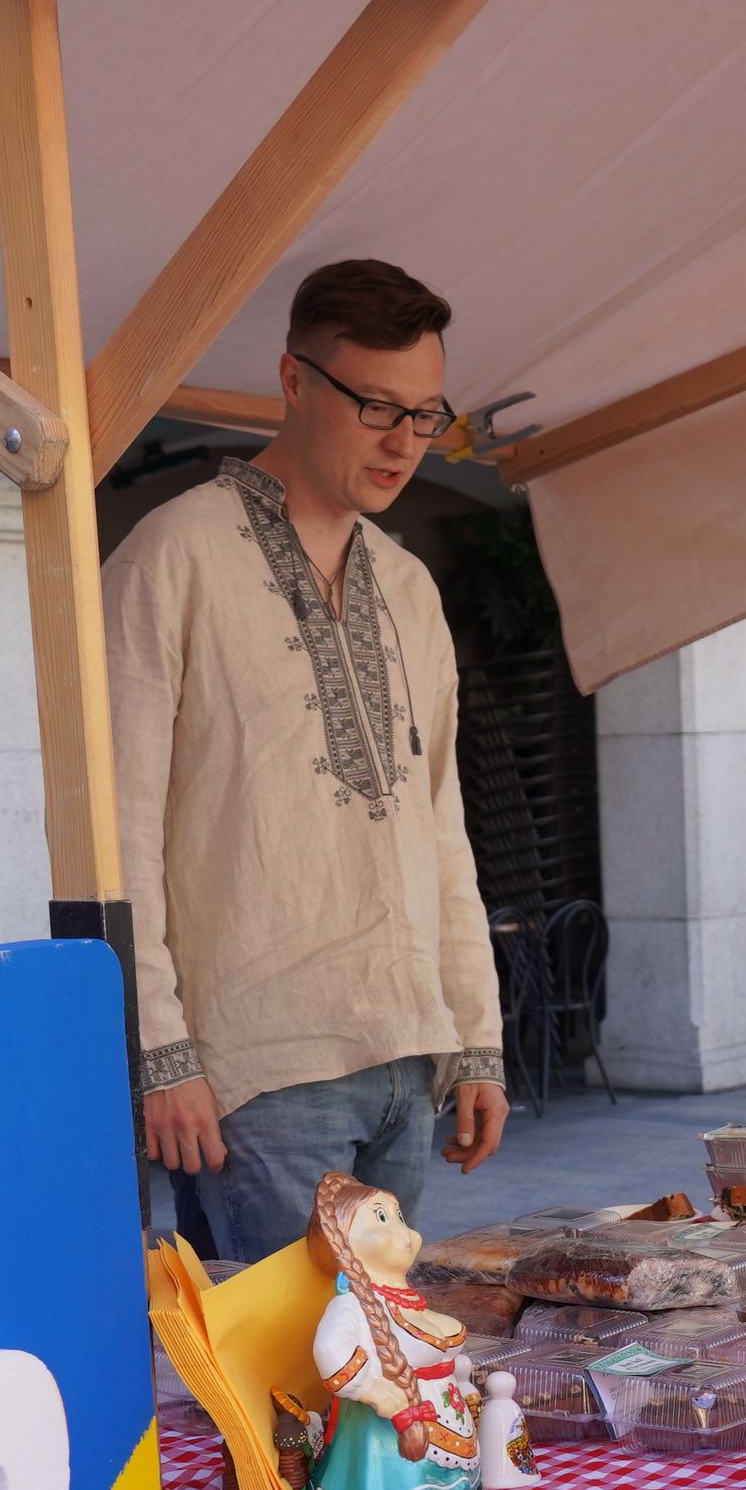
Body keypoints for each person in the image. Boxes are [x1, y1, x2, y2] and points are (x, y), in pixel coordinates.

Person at [106, 256, 507, 1261]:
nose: (404, 441)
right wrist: (160, 1053)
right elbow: (115, 828)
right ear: (293, 380)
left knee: (376, 1381)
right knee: (300, 1397)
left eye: (426, 415)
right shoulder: (173, 557)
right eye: (378, 406)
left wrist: (475, 1036)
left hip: (406, 1057)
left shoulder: (409, 587)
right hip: (259, 1066)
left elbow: (441, 823)